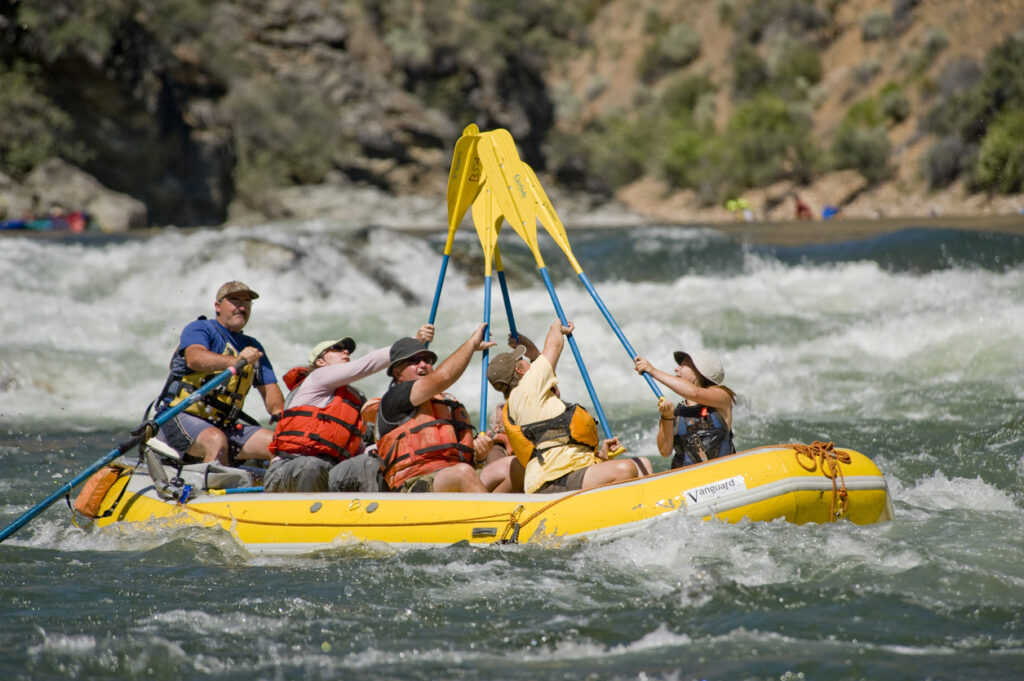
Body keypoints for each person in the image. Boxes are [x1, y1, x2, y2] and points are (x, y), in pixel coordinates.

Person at [263, 324, 434, 493]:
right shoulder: (317, 378)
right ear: (320, 361)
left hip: (330, 472)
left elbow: (358, 449)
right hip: (288, 469)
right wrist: (412, 343)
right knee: (312, 465)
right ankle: (307, 519)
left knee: (371, 464)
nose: (345, 352)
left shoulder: (354, 401)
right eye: (336, 349)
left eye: (347, 350)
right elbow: (365, 365)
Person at [488, 321, 651, 494]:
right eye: (523, 361)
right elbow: (554, 344)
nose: (529, 363)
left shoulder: (519, 402)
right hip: (554, 481)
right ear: (520, 371)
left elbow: (540, 365)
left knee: (642, 466)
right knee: (625, 469)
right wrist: (557, 326)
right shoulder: (528, 387)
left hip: (565, 473)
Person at [155, 281, 283, 465]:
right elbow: (195, 359)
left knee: (279, 445)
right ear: (218, 306)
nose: (241, 307)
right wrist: (237, 361)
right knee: (216, 440)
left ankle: (277, 490)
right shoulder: (201, 329)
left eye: (246, 302)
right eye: (234, 301)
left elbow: (270, 390)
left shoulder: (253, 347)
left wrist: (278, 411)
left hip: (224, 426)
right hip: (179, 417)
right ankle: (211, 490)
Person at [375, 324, 500, 493]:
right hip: (413, 485)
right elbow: (444, 376)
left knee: (508, 468)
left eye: (427, 360)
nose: (423, 364)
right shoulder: (394, 398)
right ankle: (497, 519)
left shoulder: (447, 404)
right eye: (414, 360)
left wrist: (481, 455)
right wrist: (471, 344)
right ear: (398, 374)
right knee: (462, 474)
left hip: (454, 475)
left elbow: (467, 460)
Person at [633, 349, 736, 469]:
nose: (676, 369)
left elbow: (694, 393)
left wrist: (653, 371)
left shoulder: (722, 396)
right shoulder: (675, 412)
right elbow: (664, 451)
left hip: (721, 477)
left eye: (684, 365)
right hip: (686, 479)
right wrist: (667, 417)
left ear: (699, 372)